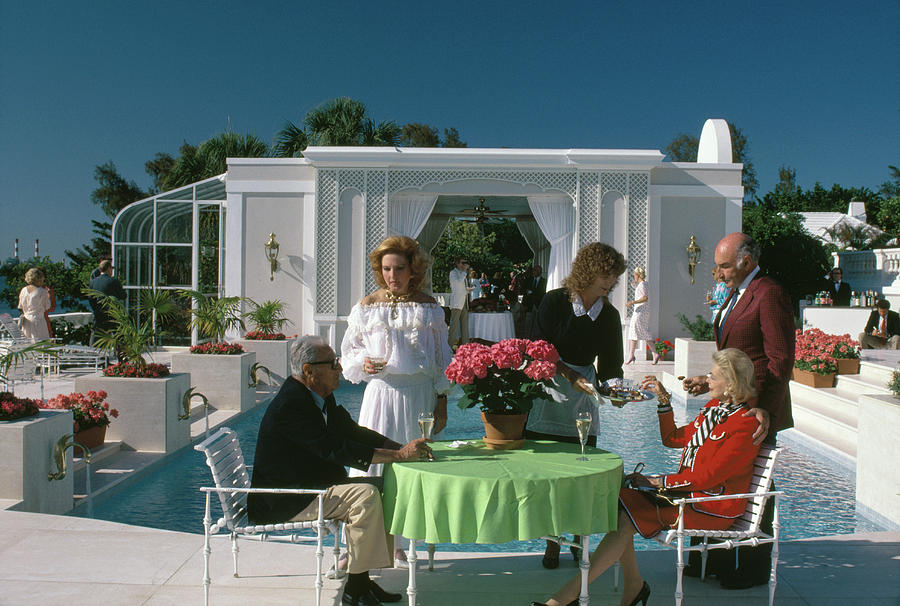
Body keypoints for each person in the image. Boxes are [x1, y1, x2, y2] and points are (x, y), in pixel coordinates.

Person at [532, 348, 761, 606]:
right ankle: (631, 588)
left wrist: (658, 482)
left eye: (714, 376)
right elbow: (672, 438)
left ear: (731, 384)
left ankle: (567, 599)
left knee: (625, 515)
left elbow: (709, 477)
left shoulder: (744, 423)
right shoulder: (713, 410)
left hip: (712, 507)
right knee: (619, 499)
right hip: (687, 496)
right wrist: (663, 401)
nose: (707, 380)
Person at [248, 336, 432, 606]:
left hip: (312, 486)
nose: (340, 368)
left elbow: (351, 432)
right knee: (366, 495)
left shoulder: (318, 396)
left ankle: (362, 582)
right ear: (309, 370)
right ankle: (355, 588)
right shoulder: (291, 405)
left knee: (386, 487)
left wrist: (401, 448)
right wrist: (399, 455)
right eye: (333, 363)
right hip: (287, 498)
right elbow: (332, 449)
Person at [681, 232, 794, 589]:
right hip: (731, 406)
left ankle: (752, 568)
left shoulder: (768, 293)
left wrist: (763, 412)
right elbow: (737, 354)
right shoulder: (738, 293)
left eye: (724, 265)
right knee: (721, 478)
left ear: (746, 261)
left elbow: (780, 361)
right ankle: (715, 558)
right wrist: (712, 381)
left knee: (756, 484)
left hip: (755, 410)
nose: (719, 273)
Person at [341, 236, 452, 566]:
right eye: (386, 269)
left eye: (399, 268)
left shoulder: (429, 307)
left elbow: (442, 358)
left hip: (419, 397)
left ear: (413, 268)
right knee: (370, 467)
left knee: (410, 468)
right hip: (380, 395)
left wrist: (441, 401)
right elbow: (348, 352)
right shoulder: (366, 306)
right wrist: (365, 363)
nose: (392, 275)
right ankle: (357, 543)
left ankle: (399, 543)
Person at [528, 242, 626, 569]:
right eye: (605, 275)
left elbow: (612, 367)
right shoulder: (554, 302)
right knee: (551, 477)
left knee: (582, 475)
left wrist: (616, 392)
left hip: (583, 397)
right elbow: (539, 349)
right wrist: (568, 374)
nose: (610, 283)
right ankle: (552, 542)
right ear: (587, 271)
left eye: (613, 277)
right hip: (549, 390)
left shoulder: (609, 315)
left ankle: (579, 540)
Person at [88, 259, 126, 347]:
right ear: (108, 268)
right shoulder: (113, 281)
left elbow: (90, 298)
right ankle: (123, 358)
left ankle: (95, 357)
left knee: (96, 338)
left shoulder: (93, 282)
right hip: (112, 314)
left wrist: (96, 310)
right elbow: (123, 296)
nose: (112, 270)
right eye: (112, 268)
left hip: (98, 314)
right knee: (119, 337)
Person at [624, 267, 657, 364]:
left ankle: (632, 355)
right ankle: (633, 355)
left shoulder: (642, 284)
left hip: (640, 311)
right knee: (639, 332)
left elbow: (645, 298)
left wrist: (632, 302)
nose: (633, 276)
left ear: (637, 275)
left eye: (634, 274)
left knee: (637, 331)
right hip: (642, 311)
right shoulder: (644, 284)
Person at [17, 267, 53, 342]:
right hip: (38, 320)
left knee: (27, 343)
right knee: (40, 343)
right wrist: (49, 295)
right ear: (39, 279)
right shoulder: (42, 291)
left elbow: (20, 306)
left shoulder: (23, 290)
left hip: (26, 320)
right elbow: (47, 306)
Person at [447, 257, 473, 347]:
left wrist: (468, 290)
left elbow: (461, 288)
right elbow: (457, 284)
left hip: (464, 302)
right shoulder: (453, 273)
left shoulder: (463, 274)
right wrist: (465, 271)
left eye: (465, 263)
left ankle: (466, 346)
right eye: (462, 263)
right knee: (454, 326)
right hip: (457, 303)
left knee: (465, 326)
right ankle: (449, 346)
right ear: (457, 264)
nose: (464, 265)